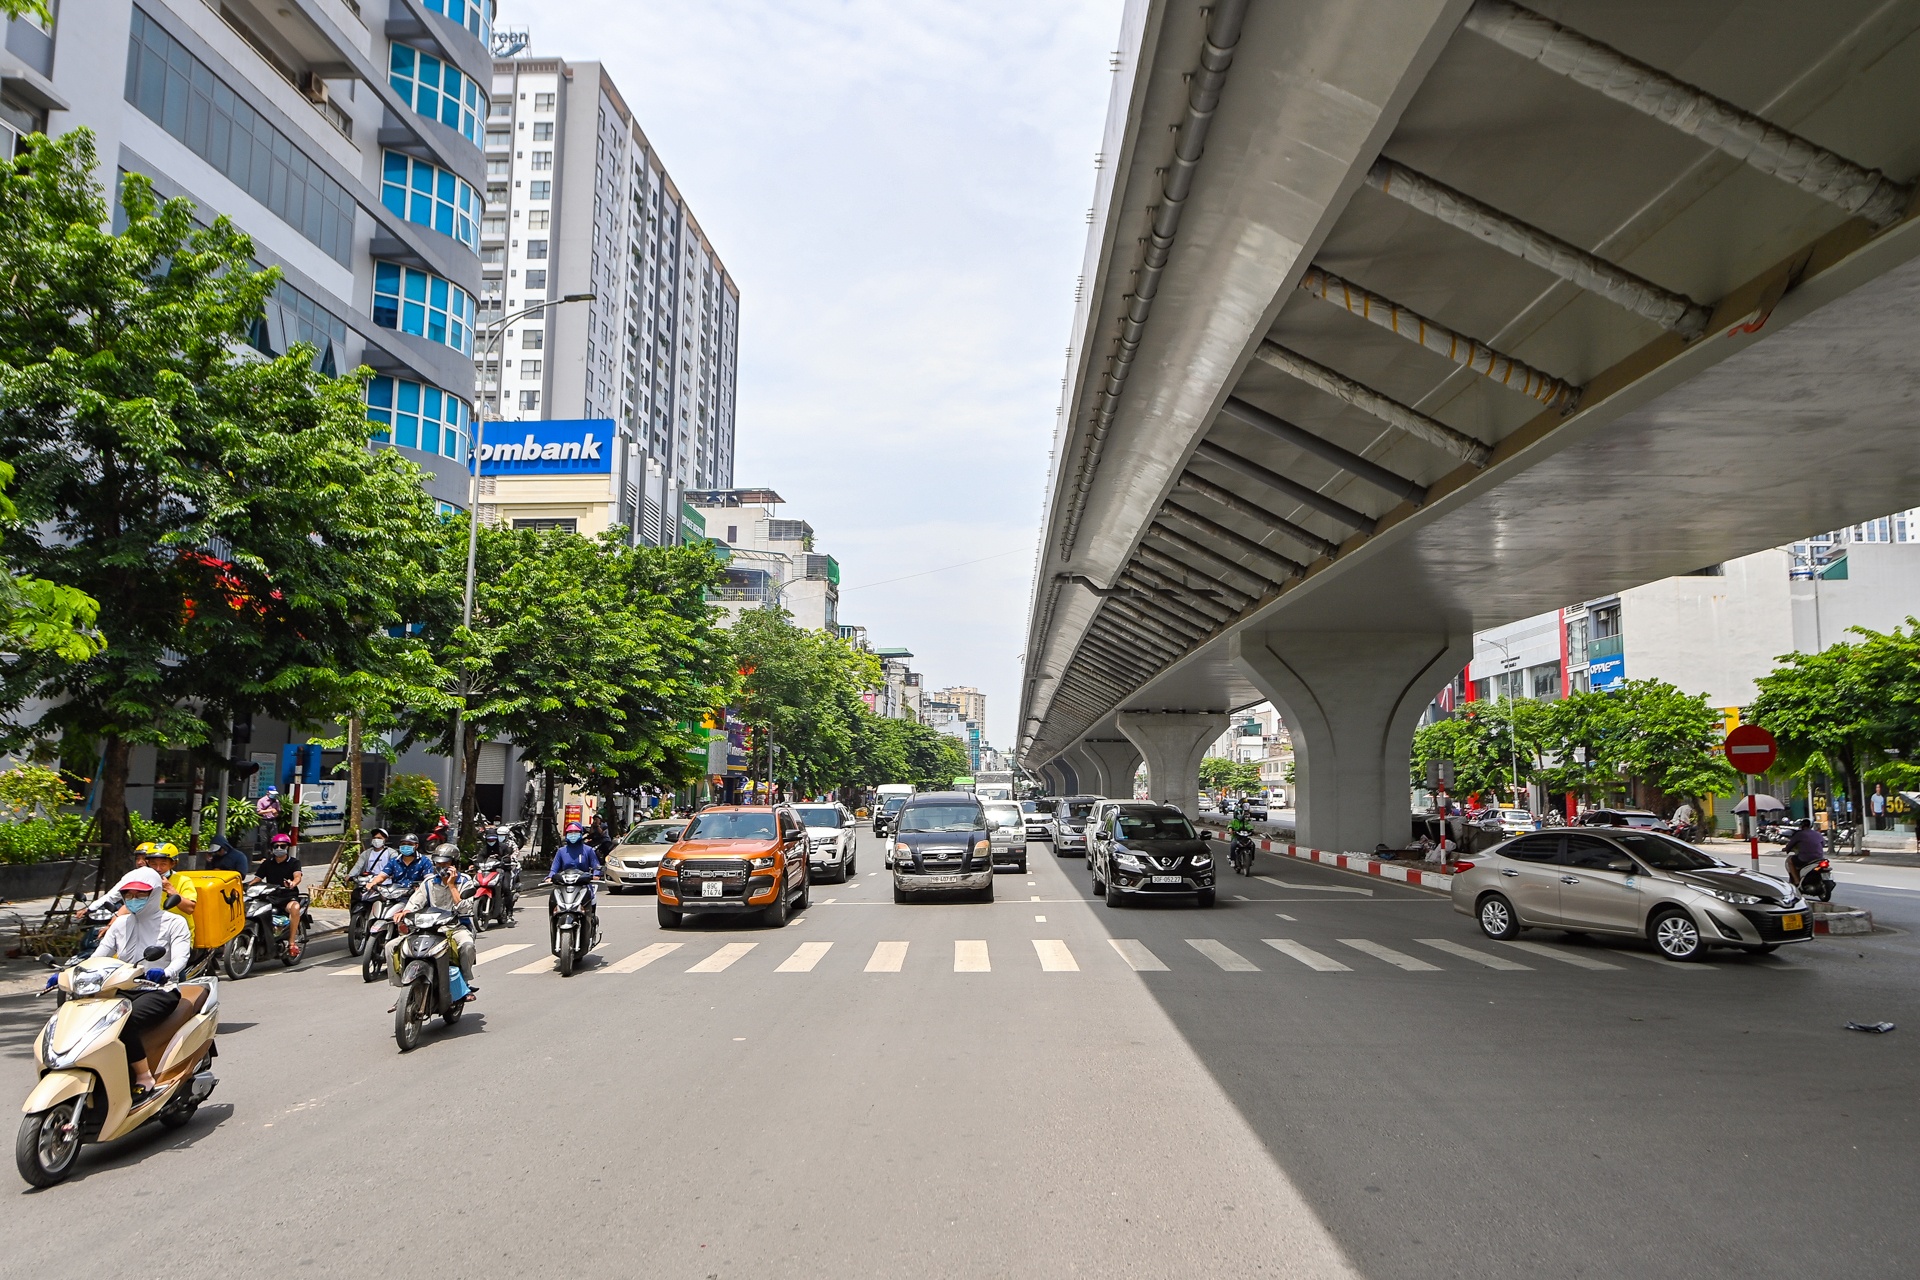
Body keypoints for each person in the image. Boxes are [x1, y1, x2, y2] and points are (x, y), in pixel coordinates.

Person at [88, 869, 191, 1102]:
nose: (134, 899)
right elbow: (99, 956)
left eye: (140, 894)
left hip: (159, 989)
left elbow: (181, 957)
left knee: (124, 1022)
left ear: (155, 894)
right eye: (129, 895)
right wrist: (68, 973)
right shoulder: (120, 924)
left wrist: (166, 973)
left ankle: (144, 1077)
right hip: (121, 987)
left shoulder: (174, 922)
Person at [399, 846, 478, 999]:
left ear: (454, 864)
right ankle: (403, 989)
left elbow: (463, 909)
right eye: (438, 864)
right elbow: (415, 902)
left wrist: (452, 885)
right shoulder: (428, 882)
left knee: (467, 946)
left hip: (456, 927)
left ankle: (465, 983)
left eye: (445, 864)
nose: (441, 868)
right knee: (393, 947)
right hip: (429, 928)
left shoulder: (466, 882)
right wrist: (405, 912)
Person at [248, 834, 305, 962]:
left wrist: (292, 883)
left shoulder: (294, 862)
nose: (279, 848)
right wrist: (245, 886)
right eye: (276, 846)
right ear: (272, 848)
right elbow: (257, 879)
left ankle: (291, 943)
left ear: (287, 847)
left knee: (295, 908)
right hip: (270, 897)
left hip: (287, 897)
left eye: (282, 846)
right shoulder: (267, 863)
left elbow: (297, 877)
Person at [364, 833, 432, 893]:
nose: (406, 846)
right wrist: (373, 883)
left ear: (416, 846)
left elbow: (429, 880)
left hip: (415, 896)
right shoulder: (394, 861)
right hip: (395, 894)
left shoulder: (424, 861)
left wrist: (421, 888)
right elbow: (382, 875)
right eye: (403, 844)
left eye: (410, 844)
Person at [1781, 819, 1826, 888]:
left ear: (1802, 826)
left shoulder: (1799, 834)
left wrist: (1786, 849)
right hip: (1819, 858)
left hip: (1805, 859)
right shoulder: (1817, 834)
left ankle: (1796, 881)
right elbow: (1823, 844)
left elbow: (1790, 845)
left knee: (1790, 860)